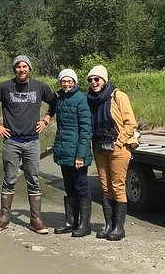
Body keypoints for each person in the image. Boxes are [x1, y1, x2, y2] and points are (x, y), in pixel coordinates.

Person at [0, 55, 57, 234]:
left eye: (24, 66)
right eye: (18, 66)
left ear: (29, 69)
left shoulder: (40, 87)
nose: (21, 69)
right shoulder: (4, 87)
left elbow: (55, 101)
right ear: (15, 69)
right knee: (9, 179)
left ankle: (35, 219)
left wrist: (46, 119)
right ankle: (4, 217)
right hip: (12, 141)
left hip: (32, 142)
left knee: (33, 180)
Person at [85, 64, 139, 241]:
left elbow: (130, 123)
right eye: (90, 80)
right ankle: (108, 225)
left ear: (104, 80)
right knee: (105, 186)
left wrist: (119, 142)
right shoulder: (89, 99)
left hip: (118, 147)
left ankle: (119, 228)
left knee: (117, 185)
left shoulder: (118, 96)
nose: (94, 83)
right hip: (99, 147)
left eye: (97, 79)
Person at [52, 69, 93, 237]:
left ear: (75, 82)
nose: (67, 84)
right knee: (69, 187)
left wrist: (81, 155)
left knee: (81, 187)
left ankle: (85, 225)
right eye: (64, 81)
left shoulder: (81, 99)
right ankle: (70, 222)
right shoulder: (60, 99)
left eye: (70, 81)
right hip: (63, 151)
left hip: (77, 153)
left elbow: (86, 129)